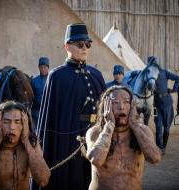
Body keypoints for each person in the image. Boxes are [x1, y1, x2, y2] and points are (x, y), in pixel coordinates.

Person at [36, 23, 106, 190]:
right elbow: (49, 119)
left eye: (88, 44)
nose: (85, 48)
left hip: (95, 139)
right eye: (80, 44)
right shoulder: (57, 76)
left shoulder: (96, 75)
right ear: (67, 46)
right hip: (66, 141)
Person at [86, 85, 161, 190]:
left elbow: (155, 158)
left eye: (126, 102)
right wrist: (108, 128)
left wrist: (135, 126)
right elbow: (96, 160)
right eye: (115, 102)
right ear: (106, 107)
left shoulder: (142, 131)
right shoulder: (95, 132)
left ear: (132, 106)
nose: (121, 107)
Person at [0, 101, 50, 190]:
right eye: (6, 121)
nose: (12, 127)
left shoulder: (32, 144)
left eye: (17, 122)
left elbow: (43, 180)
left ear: (25, 124)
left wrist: (26, 142)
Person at [151, 56, 179, 154]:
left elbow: (178, 78)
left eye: (154, 64)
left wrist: (174, 89)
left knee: (166, 127)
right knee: (158, 127)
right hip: (156, 105)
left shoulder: (164, 72)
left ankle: (163, 146)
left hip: (167, 104)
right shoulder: (149, 76)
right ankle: (159, 148)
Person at [31, 57, 50, 127]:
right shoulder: (34, 81)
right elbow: (31, 97)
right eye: (41, 67)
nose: (43, 69)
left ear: (48, 68)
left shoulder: (52, 80)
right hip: (36, 114)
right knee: (36, 134)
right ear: (38, 68)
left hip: (49, 113)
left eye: (45, 67)